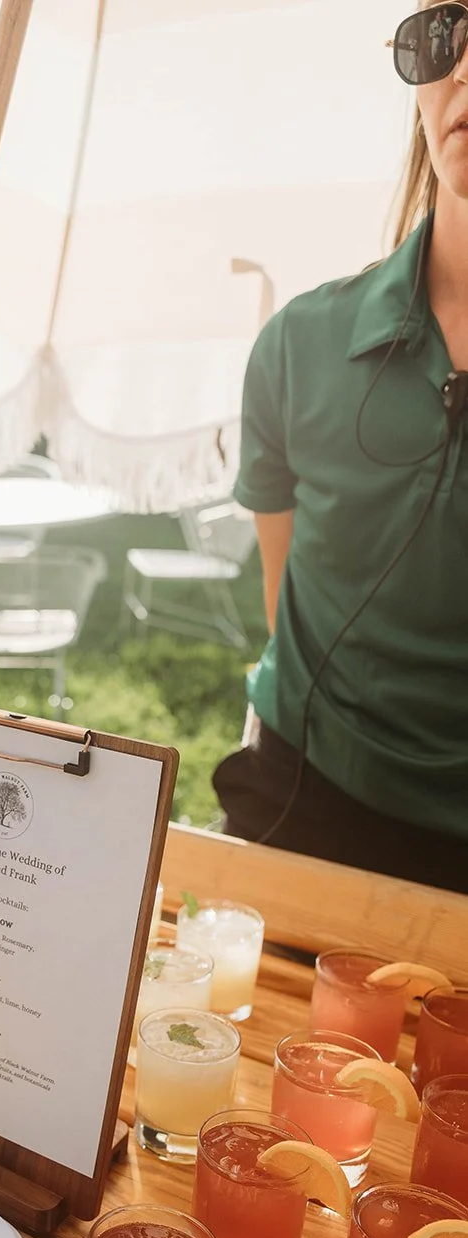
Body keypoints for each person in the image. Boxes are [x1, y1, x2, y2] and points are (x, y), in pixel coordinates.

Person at [213, 1, 468, 895]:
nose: (465, 69)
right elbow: (285, 608)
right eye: (447, 34)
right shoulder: (296, 345)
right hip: (300, 806)